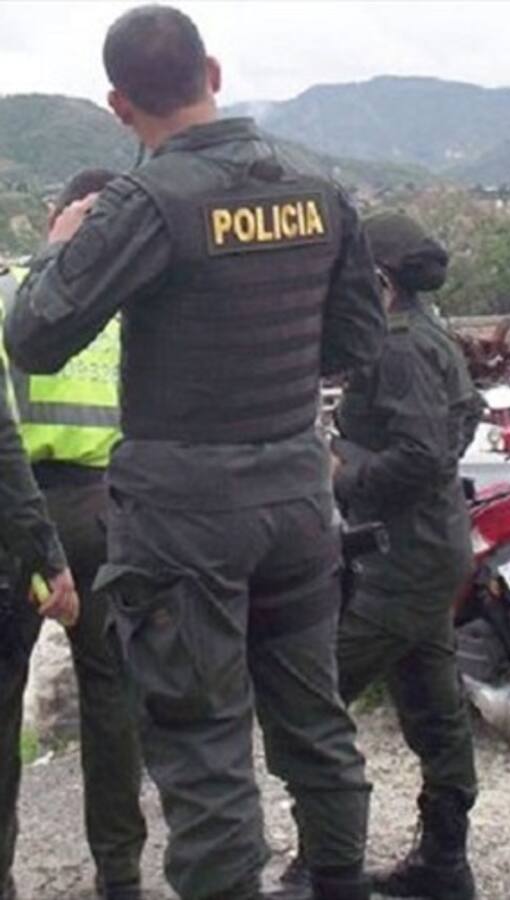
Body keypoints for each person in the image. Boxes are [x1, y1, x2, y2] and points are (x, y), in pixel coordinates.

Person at [4, 6, 386, 899]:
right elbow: (357, 340)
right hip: (295, 498)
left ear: (117, 104)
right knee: (315, 725)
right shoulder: (317, 187)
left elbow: (34, 335)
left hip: (183, 519)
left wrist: (57, 250)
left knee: (204, 745)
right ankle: (338, 882)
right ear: (212, 72)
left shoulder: (150, 202)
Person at [284, 211, 481, 900]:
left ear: (377, 280)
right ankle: (444, 864)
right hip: (429, 549)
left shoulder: (397, 347)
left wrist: (342, 468)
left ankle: (322, 866)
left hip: (402, 561)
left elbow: (422, 455)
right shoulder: (430, 336)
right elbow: (466, 417)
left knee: (312, 703)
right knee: (433, 704)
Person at [0, 170, 146, 900]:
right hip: (104, 509)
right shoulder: (122, 308)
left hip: (14, 510)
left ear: (54, 220)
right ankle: (119, 874)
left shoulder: (10, 293)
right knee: (112, 694)